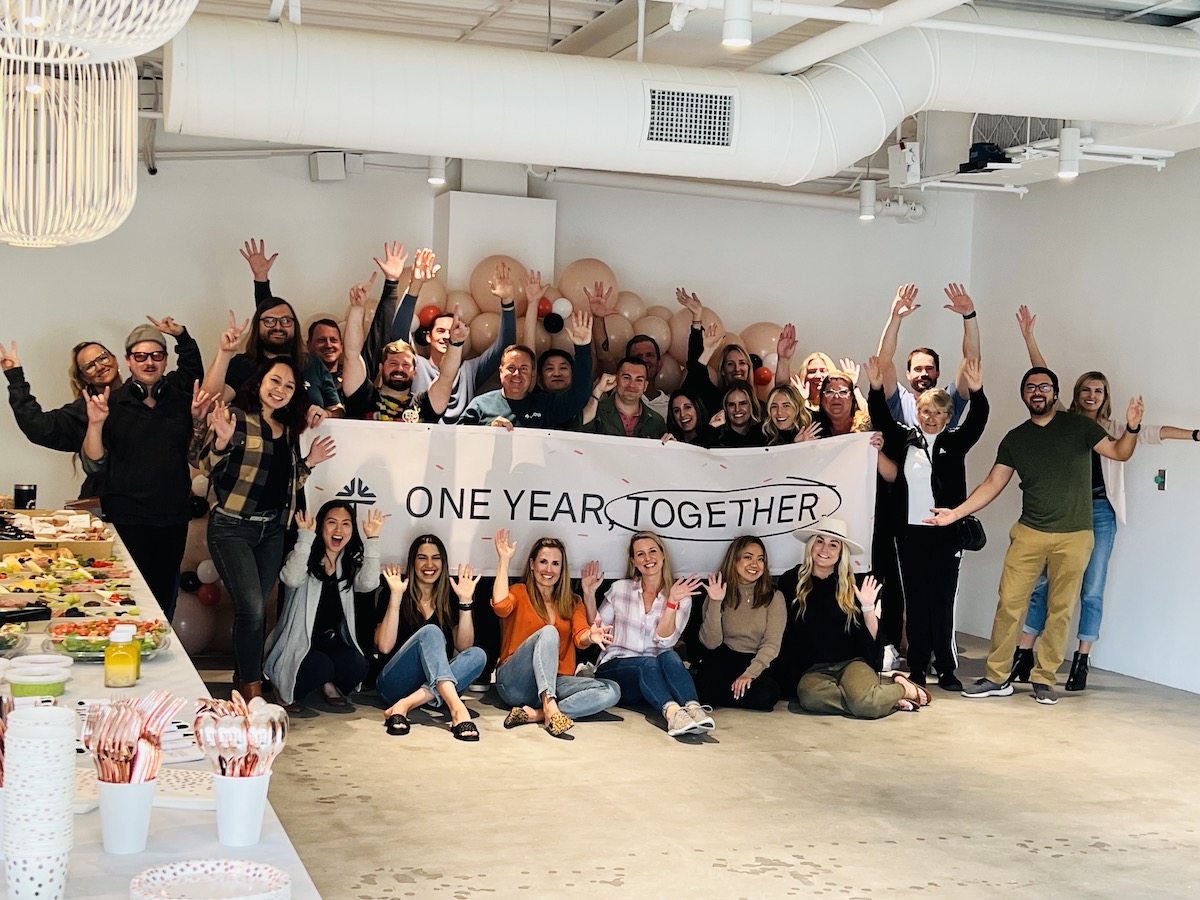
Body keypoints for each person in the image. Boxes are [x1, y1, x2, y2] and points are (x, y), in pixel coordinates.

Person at [926, 367, 1143, 705]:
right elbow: (992, 484)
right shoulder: (1016, 438)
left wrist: (1132, 426)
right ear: (1024, 394)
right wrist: (956, 513)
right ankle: (997, 677)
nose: (1038, 391)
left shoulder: (1080, 427)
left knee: (1061, 609)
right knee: (1009, 604)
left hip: (1075, 536)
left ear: (1055, 393)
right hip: (1029, 533)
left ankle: (1044, 679)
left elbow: (1120, 452)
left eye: (1045, 386)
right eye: (1031, 387)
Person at [1011, 305, 1199, 691]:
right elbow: (1043, 379)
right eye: (1086, 390)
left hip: (1099, 515)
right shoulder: (1064, 422)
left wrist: (1196, 435)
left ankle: (1081, 660)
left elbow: (1155, 432)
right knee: (1043, 586)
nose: (1092, 396)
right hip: (1060, 515)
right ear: (1075, 396)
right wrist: (1029, 338)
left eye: (1099, 391)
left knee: (1091, 589)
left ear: (1105, 397)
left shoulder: (1116, 429)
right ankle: (1023, 654)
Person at [191, 356, 337, 700]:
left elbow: (284, 484)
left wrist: (309, 463)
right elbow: (207, 466)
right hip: (231, 528)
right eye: (275, 381)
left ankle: (243, 682)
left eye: (288, 386)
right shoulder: (235, 419)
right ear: (259, 383)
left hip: (271, 531)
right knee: (253, 608)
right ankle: (253, 689)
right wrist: (223, 442)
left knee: (255, 610)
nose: (280, 390)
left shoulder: (287, 431)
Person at [866, 355, 989, 691]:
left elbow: (978, 419)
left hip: (945, 534)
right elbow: (879, 415)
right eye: (925, 411)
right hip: (910, 535)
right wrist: (876, 386)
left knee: (942, 601)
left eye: (938, 412)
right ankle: (918, 667)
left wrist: (976, 391)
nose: (931, 417)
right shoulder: (905, 438)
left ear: (948, 416)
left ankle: (946, 670)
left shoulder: (955, 441)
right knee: (916, 603)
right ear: (917, 413)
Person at [79, 319, 204, 620]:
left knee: (163, 602)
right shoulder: (111, 404)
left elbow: (196, 458)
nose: (149, 362)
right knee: (126, 599)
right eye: (141, 356)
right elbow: (94, 462)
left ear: (165, 360)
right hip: (126, 519)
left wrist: (198, 421)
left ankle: (157, 660)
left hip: (171, 520)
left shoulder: (182, 402)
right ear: (128, 361)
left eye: (156, 355)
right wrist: (95, 423)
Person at [771, 518, 930, 718]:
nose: (824, 549)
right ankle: (877, 698)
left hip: (852, 662)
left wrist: (867, 607)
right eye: (819, 541)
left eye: (833, 544)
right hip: (813, 669)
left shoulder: (853, 584)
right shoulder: (790, 581)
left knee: (865, 705)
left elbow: (872, 636)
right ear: (811, 545)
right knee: (810, 699)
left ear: (840, 552)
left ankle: (902, 690)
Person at [491, 530, 620, 737]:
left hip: (554, 680)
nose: (548, 569)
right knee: (549, 632)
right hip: (515, 683)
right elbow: (500, 606)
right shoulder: (519, 592)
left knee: (612, 690)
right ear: (532, 565)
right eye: (543, 562)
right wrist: (504, 560)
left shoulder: (572, 601)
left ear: (562, 569)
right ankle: (551, 707)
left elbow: (581, 637)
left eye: (555, 564)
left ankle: (537, 714)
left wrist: (591, 635)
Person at [264, 501, 383, 715]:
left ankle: (326, 682)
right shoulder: (305, 557)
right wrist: (305, 538)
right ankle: (281, 685)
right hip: (300, 640)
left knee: (359, 665)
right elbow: (290, 579)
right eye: (332, 523)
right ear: (321, 527)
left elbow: (368, 584)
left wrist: (373, 539)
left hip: (330, 640)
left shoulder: (347, 563)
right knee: (321, 667)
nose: (339, 530)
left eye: (346, 524)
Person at [594, 531, 716, 738]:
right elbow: (596, 627)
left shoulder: (680, 594)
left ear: (663, 555)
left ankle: (694, 709)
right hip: (615, 669)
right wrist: (589, 593)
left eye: (652, 551)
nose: (648, 558)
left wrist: (672, 603)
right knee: (647, 662)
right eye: (640, 554)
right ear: (634, 561)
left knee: (669, 655)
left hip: (652, 676)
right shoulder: (619, 589)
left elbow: (667, 639)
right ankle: (673, 714)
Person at [373, 534, 487, 740]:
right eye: (422, 558)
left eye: (435, 558)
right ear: (412, 562)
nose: (429, 564)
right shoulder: (394, 592)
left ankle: (405, 705)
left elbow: (464, 646)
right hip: (393, 686)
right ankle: (457, 710)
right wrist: (396, 597)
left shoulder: (449, 599)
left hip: (431, 689)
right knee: (431, 632)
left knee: (478, 654)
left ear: (443, 563)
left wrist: (465, 601)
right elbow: (384, 647)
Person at [383, 250, 518, 423]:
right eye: (440, 331)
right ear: (428, 337)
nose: (447, 336)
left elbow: (506, 348)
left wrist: (507, 300)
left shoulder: (470, 370)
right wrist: (415, 285)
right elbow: (398, 336)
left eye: (452, 331)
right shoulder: (415, 365)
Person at [217, 238, 342, 418]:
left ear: (295, 327)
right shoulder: (242, 364)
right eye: (269, 322)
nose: (278, 326)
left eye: (286, 321)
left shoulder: (312, 364)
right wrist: (261, 281)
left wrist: (326, 414)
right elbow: (212, 404)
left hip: (311, 445)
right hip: (256, 445)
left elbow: (337, 409)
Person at [2, 339, 125, 498]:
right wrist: (15, 377)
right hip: (104, 505)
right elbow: (39, 427)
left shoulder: (145, 399)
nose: (100, 367)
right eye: (90, 366)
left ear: (114, 358)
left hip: (151, 507)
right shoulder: (82, 412)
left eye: (103, 358)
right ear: (84, 377)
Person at [340, 277, 465, 422]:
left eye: (406, 365)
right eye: (393, 363)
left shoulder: (423, 404)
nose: (399, 368)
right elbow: (352, 355)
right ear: (381, 368)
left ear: (415, 371)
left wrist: (456, 343)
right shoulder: (363, 396)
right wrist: (357, 308)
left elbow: (446, 378)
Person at [459, 310, 594, 428]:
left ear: (533, 375)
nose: (517, 374)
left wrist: (582, 348)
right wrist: (487, 431)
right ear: (501, 371)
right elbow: (458, 440)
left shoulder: (545, 405)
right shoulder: (480, 405)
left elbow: (579, 396)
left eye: (524, 369)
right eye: (511, 368)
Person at [694, 536, 785, 711]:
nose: (755, 564)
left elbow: (771, 644)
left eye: (760, 559)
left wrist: (749, 675)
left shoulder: (774, 597)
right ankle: (731, 694)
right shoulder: (719, 590)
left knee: (768, 694)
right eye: (748, 557)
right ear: (734, 560)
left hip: (755, 660)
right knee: (704, 689)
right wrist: (715, 602)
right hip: (724, 656)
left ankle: (730, 692)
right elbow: (711, 643)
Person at [875, 283, 980, 428]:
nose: (924, 373)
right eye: (917, 369)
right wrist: (895, 318)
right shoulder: (899, 399)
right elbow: (883, 363)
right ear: (908, 374)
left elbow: (972, 361)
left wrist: (969, 315)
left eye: (929, 368)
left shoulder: (950, 399)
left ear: (937, 373)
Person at [580, 357, 667, 439]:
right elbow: (577, 438)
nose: (632, 385)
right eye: (626, 377)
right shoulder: (594, 411)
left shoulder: (656, 421)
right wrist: (597, 392)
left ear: (645, 386)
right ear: (616, 380)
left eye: (639, 380)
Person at [813, 370, 871, 437]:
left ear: (852, 398)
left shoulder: (868, 426)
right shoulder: (811, 426)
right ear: (821, 399)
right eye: (830, 392)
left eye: (843, 392)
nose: (836, 396)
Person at [626, 334, 670, 419]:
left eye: (649, 355)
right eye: (638, 357)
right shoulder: (618, 399)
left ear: (659, 365)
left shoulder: (670, 406)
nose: (644, 360)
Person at [715, 380, 766, 448]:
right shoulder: (716, 438)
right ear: (725, 408)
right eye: (732, 404)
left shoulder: (766, 434)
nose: (737, 409)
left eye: (743, 403)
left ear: (752, 405)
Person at [307, 318, 344, 399]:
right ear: (309, 345)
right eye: (322, 340)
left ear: (341, 346)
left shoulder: (351, 378)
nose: (328, 345)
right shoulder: (301, 377)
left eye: (333, 340)